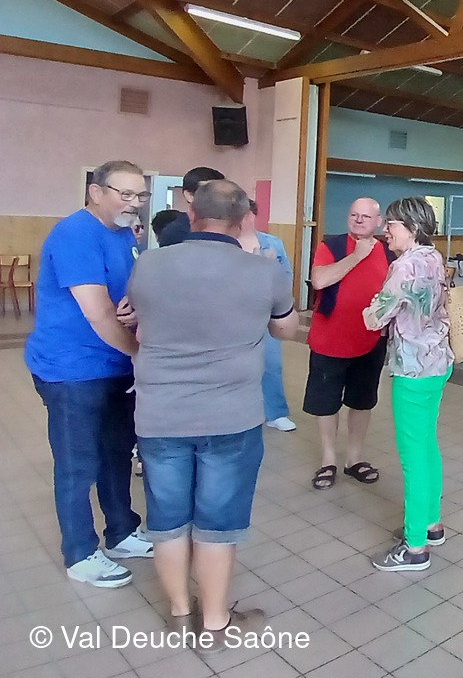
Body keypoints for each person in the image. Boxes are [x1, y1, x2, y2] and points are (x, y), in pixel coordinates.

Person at [128, 180, 297, 649]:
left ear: (191, 214)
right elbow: (285, 330)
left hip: (159, 414)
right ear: (243, 220)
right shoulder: (263, 270)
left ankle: (180, 614)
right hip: (231, 417)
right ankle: (216, 622)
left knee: (167, 519)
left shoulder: (148, 264)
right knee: (217, 522)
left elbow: (137, 318)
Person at [25, 160, 154, 587]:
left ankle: (122, 532)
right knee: (77, 463)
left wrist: (133, 309)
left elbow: (124, 294)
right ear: (95, 192)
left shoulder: (124, 234)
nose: (134, 203)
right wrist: (140, 354)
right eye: (125, 194)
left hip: (113, 364)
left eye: (140, 195)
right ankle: (80, 553)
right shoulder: (75, 234)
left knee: (116, 452)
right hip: (71, 369)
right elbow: (98, 313)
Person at [363, 198, 454, 571]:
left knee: (413, 457)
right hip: (437, 363)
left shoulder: (403, 266)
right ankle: (432, 523)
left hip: (413, 370)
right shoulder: (433, 258)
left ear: (413, 228)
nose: (386, 230)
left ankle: (415, 546)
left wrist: (372, 306)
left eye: (392, 224)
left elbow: (375, 318)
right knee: (427, 445)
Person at [304, 198, 395, 490]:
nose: (358, 220)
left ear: (379, 222)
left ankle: (354, 458)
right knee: (326, 402)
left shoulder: (389, 251)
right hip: (330, 338)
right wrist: (356, 256)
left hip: (370, 340)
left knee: (362, 400)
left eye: (365, 217)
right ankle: (328, 460)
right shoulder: (331, 245)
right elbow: (319, 280)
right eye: (354, 214)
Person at [238, 199, 296, 432]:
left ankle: (275, 412)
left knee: (271, 363)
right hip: (236, 313)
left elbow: (285, 276)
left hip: (267, 312)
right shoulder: (228, 244)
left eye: (248, 214)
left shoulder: (272, 243)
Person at [158, 166, 224, 247]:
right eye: (208, 192)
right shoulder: (176, 231)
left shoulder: (230, 224)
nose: (217, 198)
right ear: (189, 195)